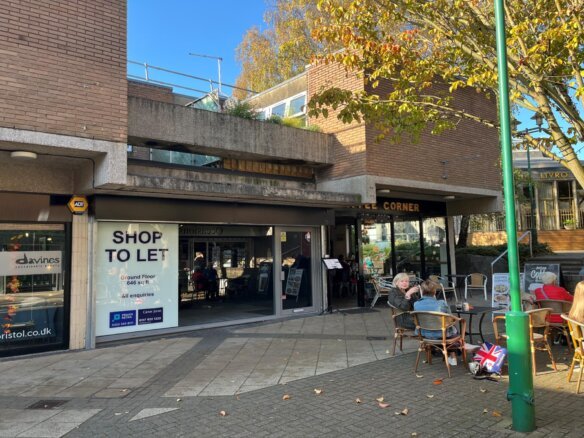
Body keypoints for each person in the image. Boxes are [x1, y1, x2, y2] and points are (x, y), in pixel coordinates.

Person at [413, 279, 459, 366]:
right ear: (434, 291)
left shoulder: (416, 304)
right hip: (441, 335)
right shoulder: (441, 303)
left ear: (422, 291)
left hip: (424, 334)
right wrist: (456, 320)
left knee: (447, 328)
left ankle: (440, 351)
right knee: (452, 328)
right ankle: (452, 356)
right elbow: (450, 319)